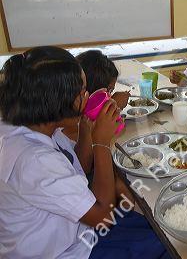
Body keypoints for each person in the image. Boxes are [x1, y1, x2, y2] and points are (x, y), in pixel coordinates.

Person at [0, 46, 168, 258]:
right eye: (81, 93)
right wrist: (101, 143)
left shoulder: (34, 124)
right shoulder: (33, 159)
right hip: (69, 250)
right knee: (162, 244)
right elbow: (103, 217)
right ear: (55, 101)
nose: (87, 97)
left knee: (156, 227)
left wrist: (86, 130)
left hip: (77, 227)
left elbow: (79, 164)